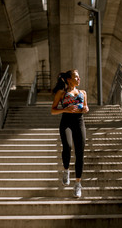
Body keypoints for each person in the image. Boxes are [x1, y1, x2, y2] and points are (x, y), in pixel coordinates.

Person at [51, 69, 89, 198]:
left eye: (79, 77)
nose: (79, 79)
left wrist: (85, 109)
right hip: (66, 122)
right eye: (76, 77)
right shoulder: (61, 93)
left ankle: (77, 184)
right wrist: (64, 109)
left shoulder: (83, 92)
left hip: (79, 122)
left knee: (80, 153)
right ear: (68, 79)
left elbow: (86, 107)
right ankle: (66, 170)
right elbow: (53, 110)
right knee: (67, 146)